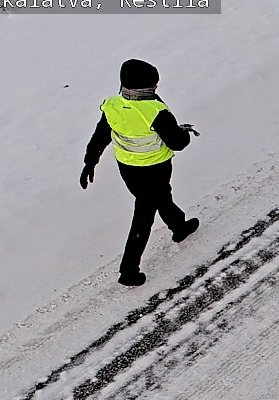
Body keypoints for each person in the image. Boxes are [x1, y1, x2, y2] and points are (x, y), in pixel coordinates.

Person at [80, 59, 199, 287]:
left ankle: (179, 226)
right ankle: (128, 271)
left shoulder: (113, 106)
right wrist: (184, 133)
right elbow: (176, 143)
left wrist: (90, 162)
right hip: (155, 168)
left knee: (161, 198)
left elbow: (100, 136)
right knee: (144, 218)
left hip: (128, 170)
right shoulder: (155, 110)